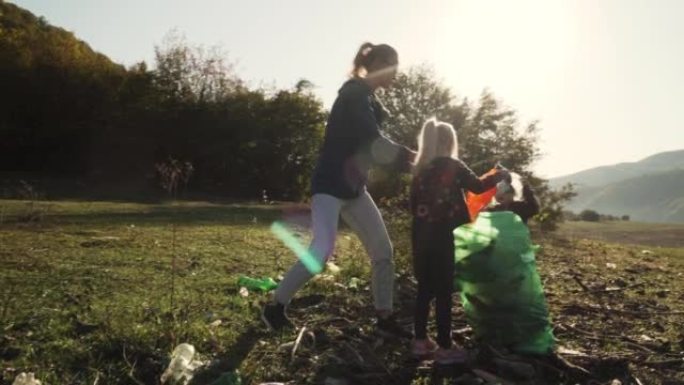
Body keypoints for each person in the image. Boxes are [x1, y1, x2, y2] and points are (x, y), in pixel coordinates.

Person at [262, 42, 416, 338]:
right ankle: (275, 307)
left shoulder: (372, 102)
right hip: (330, 186)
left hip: (355, 190)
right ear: (381, 64)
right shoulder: (353, 95)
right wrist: (413, 160)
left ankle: (385, 318)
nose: (396, 75)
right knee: (321, 252)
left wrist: (410, 160)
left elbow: (373, 146)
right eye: (393, 67)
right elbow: (373, 141)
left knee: (383, 250)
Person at [409, 118, 509, 363]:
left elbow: (412, 206)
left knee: (424, 290)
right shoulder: (453, 165)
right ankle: (444, 347)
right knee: (443, 291)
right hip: (446, 238)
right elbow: (476, 187)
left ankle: (420, 342)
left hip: (421, 238)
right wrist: (498, 175)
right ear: (449, 142)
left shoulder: (419, 168)